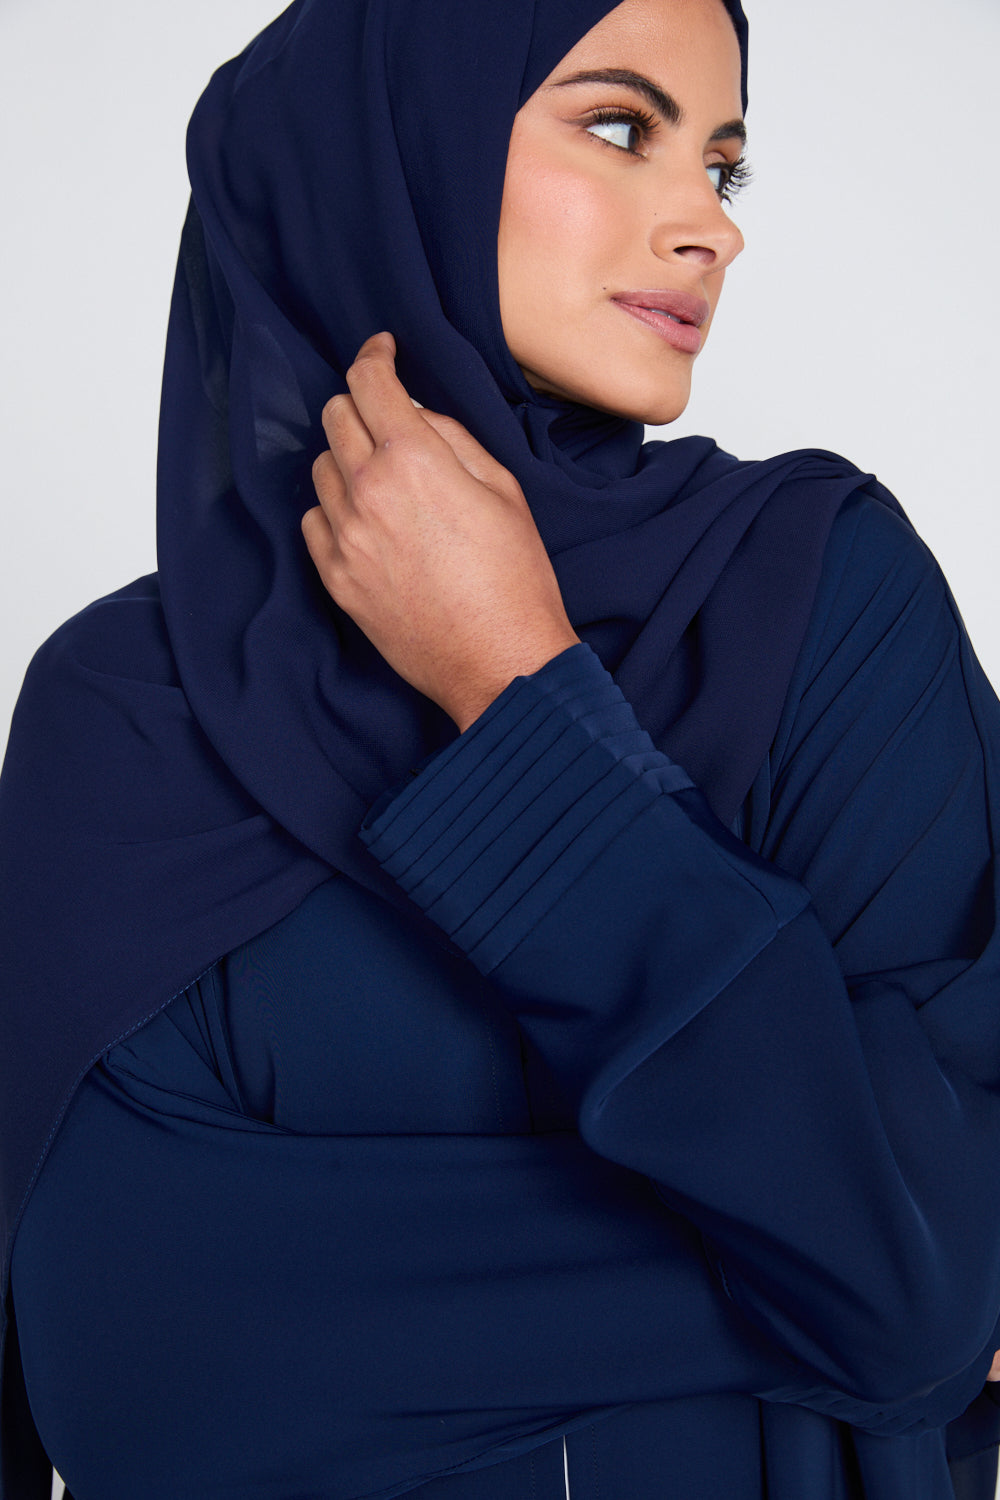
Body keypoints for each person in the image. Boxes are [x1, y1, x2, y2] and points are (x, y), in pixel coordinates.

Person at [2, 0, 1000, 1496]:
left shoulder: (821, 598)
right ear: (392, 152)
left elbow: (927, 1281)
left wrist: (516, 687)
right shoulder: (130, 710)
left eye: (722, 164)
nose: (714, 227)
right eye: (620, 127)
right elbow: (142, 1380)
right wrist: (833, 1283)